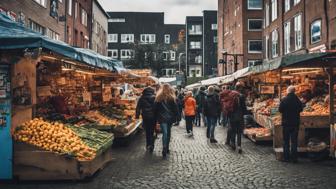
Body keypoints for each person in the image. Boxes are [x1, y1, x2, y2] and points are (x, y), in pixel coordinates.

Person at [279, 86, 303, 163]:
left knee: (286, 141)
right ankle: (294, 158)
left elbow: (280, 110)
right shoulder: (297, 100)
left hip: (286, 123)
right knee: (294, 141)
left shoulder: (284, 99)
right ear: (294, 91)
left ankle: (286, 157)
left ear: (288, 91)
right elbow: (301, 109)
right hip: (295, 123)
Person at [154, 84, 179, 158]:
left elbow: (155, 109)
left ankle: (164, 147)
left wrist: (156, 117)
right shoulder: (172, 98)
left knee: (165, 133)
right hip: (170, 118)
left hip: (162, 118)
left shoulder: (158, 97)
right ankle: (166, 147)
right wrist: (177, 117)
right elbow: (175, 109)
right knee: (168, 133)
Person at [225, 82, 247, 153]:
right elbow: (244, 108)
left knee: (233, 130)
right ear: (240, 88)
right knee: (239, 132)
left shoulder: (230, 94)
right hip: (239, 116)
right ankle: (239, 146)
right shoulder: (241, 96)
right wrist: (245, 113)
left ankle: (233, 144)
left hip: (231, 116)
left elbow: (227, 105)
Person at [136, 87, 156, 153]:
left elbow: (138, 107)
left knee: (147, 130)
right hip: (153, 116)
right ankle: (152, 144)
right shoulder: (154, 98)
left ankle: (148, 144)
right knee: (152, 130)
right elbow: (157, 107)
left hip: (145, 116)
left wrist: (137, 116)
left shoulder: (141, 98)